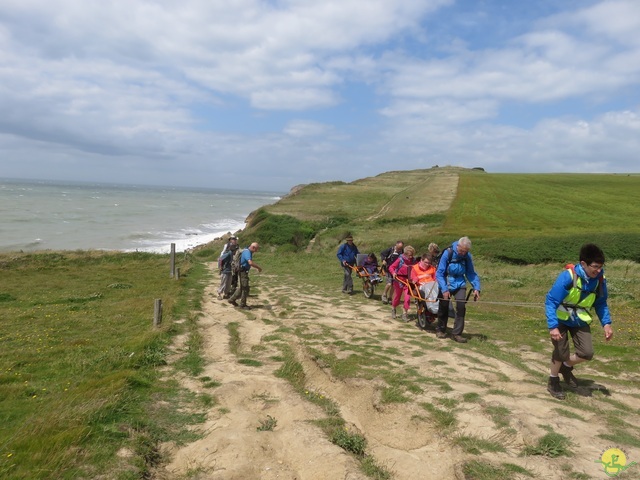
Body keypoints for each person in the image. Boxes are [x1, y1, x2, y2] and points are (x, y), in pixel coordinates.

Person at [545, 243, 613, 400]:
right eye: (595, 267)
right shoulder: (568, 277)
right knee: (561, 353)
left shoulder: (600, 280)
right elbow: (551, 301)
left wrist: (607, 324)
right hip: (561, 318)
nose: (598, 270)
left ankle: (566, 368)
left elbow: (601, 303)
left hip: (580, 319)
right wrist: (553, 326)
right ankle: (553, 380)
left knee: (586, 353)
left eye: (600, 267)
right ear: (583, 264)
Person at [435, 237, 480, 343]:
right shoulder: (448, 253)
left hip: (460, 283)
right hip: (446, 282)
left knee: (461, 306)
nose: (463, 253)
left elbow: (471, 273)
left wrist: (476, 287)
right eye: (461, 251)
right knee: (444, 306)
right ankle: (441, 329)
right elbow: (440, 273)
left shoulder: (466, 256)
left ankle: (457, 334)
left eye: (466, 251)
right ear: (458, 246)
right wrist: (444, 289)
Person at [227, 242, 262, 309]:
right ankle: (242, 304)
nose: (257, 251)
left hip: (242, 271)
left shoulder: (246, 250)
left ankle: (232, 300)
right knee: (245, 288)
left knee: (242, 287)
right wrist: (258, 268)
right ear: (253, 247)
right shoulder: (247, 252)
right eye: (256, 249)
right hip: (243, 271)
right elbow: (250, 262)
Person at [388, 245, 417, 321]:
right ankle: (393, 308)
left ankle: (405, 314)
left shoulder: (414, 261)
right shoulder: (400, 259)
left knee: (407, 298)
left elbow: (416, 269)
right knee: (397, 296)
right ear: (405, 254)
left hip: (409, 281)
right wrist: (393, 273)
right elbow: (391, 267)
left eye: (412, 255)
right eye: (409, 255)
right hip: (399, 280)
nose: (411, 257)